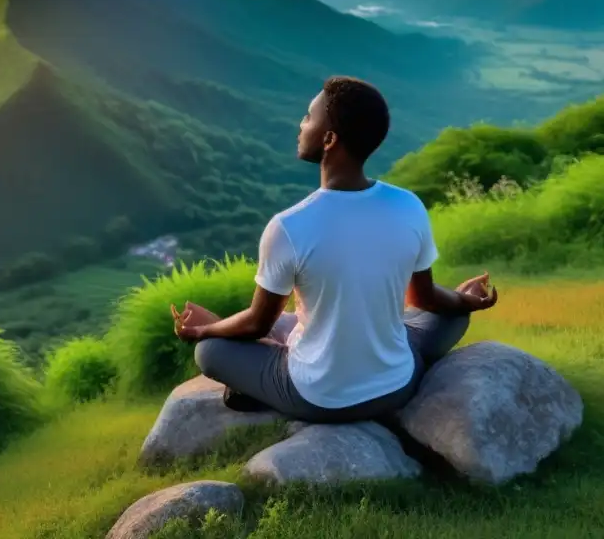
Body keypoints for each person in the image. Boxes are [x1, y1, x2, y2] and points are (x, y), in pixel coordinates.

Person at [172, 76, 498, 423]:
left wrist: (203, 330)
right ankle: (321, 350)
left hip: (320, 398)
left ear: (329, 139)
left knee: (209, 351)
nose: (301, 125)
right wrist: (464, 300)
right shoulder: (408, 206)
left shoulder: (288, 226)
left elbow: (255, 324)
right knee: (452, 314)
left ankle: (264, 383)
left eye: (308, 118)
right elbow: (424, 298)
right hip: (397, 383)